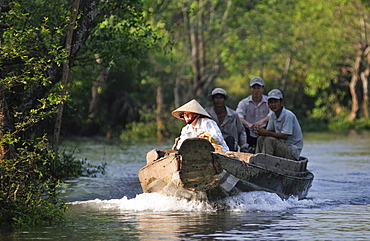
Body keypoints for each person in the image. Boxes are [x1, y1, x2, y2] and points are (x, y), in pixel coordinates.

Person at [254, 89, 303, 160]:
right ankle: (257, 160)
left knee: (269, 140)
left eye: (276, 102)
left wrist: (265, 132)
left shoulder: (288, 115)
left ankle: (267, 162)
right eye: (271, 102)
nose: (273, 104)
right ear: (268, 104)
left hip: (292, 151)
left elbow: (285, 136)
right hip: (282, 146)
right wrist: (259, 131)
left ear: (281, 103)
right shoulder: (272, 116)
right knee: (261, 139)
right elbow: (268, 132)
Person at [205, 88, 248, 152]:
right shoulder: (207, 113)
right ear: (213, 100)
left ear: (224, 100)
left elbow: (241, 131)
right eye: (216, 98)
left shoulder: (233, 115)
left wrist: (243, 146)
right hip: (212, 145)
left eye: (221, 98)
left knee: (230, 139)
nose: (218, 100)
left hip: (230, 146)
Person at [236, 77, 271, 153]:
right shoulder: (244, 102)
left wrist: (261, 122)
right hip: (248, 132)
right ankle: (244, 148)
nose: (256, 91)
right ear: (250, 89)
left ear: (263, 88)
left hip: (264, 131)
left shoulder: (269, 101)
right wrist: (249, 125)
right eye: (254, 88)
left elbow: (273, 114)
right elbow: (238, 116)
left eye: (258, 88)